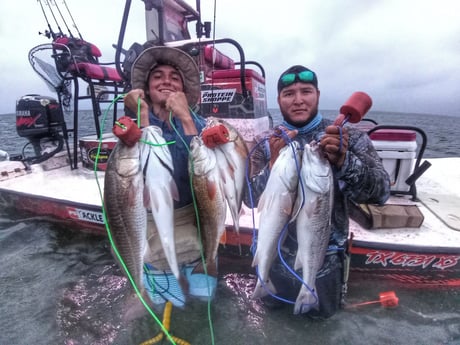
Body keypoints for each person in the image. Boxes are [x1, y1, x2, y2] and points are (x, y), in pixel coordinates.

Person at [244, 65, 391, 318]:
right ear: (278, 100)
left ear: (318, 95)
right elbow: (249, 199)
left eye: (306, 92)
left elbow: (381, 193)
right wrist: (273, 164)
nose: (298, 100)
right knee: (269, 319)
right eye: (289, 93)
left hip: (324, 261)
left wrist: (345, 163)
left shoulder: (348, 139)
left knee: (321, 325)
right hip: (274, 260)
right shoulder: (267, 141)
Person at [123, 46, 215, 307]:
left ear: (184, 90)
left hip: (195, 223)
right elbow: (133, 173)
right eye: (158, 76)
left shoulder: (200, 125)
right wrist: (141, 116)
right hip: (151, 227)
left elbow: (203, 170)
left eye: (175, 77)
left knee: (203, 302)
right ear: (147, 87)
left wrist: (186, 118)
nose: (166, 81)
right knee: (163, 306)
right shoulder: (128, 126)